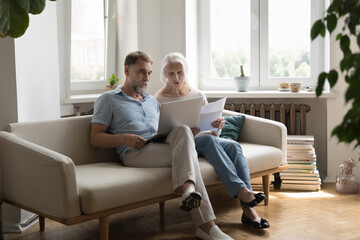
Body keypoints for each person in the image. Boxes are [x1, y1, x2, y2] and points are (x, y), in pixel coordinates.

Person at [90, 51, 233, 240]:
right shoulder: (108, 99)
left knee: (183, 130)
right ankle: (208, 227)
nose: (147, 78)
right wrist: (125, 139)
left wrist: (189, 133)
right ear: (126, 70)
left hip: (159, 144)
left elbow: (164, 129)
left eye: (149, 73)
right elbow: (95, 138)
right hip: (135, 152)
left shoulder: (152, 100)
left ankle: (189, 189)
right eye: (142, 72)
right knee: (189, 158)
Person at [155, 52, 269, 229]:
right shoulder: (158, 99)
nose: (176, 77)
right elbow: (159, 133)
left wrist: (218, 125)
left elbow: (213, 131)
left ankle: (248, 210)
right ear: (164, 75)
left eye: (180, 72)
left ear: (186, 72)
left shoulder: (198, 95)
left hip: (204, 139)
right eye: (171, 73)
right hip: (182, 145)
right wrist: (185, 133)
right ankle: (242, 192)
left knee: (233, 146)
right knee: (209, 141)